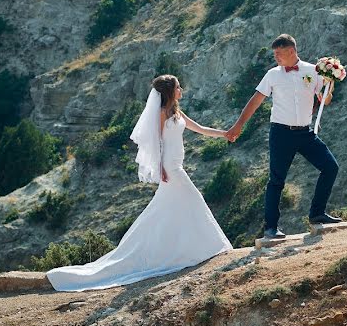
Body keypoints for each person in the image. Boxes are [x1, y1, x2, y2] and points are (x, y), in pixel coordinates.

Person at [46, 74, 232, 292]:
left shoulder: (177, 112)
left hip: (177, 165)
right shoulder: (162, 113)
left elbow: (199, 128)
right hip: (171, 169)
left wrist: (224, 134)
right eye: (178, 87)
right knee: (193, 199)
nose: (181, 89)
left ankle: (185, 249)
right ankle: (206, 247)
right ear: (170, 91)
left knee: (167, 211)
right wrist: (161, 168)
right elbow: (158, 142)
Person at [227, 34, 341, 240]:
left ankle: (317, 213)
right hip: (281, 133)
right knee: (276, 180)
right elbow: (255, 101)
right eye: (275, 54)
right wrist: (238, 126)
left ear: (291, 51)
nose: (276, 57)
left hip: (306, 133)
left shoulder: (312, 70)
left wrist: (329, 84)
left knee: (331, 167)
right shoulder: (272, 75)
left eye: (279, 53)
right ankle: (271, 227)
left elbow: (325, 100)